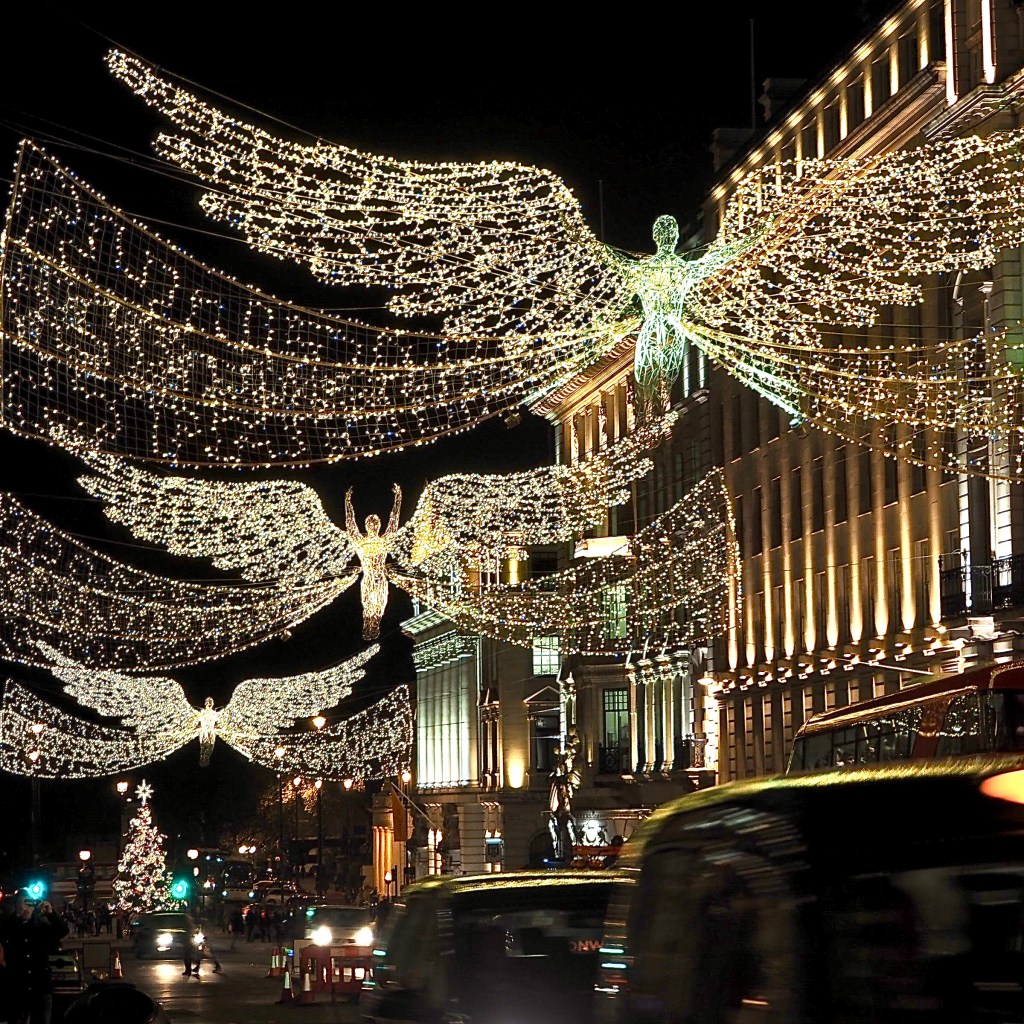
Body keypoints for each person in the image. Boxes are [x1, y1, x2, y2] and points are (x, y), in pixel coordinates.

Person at [0, 891, 70, 1024]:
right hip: (17, 988)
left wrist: (51, 913)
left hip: (40, 987)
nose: (27, 907)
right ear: (16, 905)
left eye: (30, 903)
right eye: (24, 903)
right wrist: (16, 917)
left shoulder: (41, 927)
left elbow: (62, 930)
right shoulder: (9, 926)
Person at [344, 484, 402, 641]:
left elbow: (393, 522)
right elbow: (350, 526)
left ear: (379, 526)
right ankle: (367, 626)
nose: (373, 525)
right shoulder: (361, 543)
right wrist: (347, 503)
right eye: (370, 523)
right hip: (369, 580)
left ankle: (375, 627)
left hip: (381, 580)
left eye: (376, 523)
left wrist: (398, 499)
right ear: (366, 526)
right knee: (369, 610)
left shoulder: (384, 542)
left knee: (378, 611)